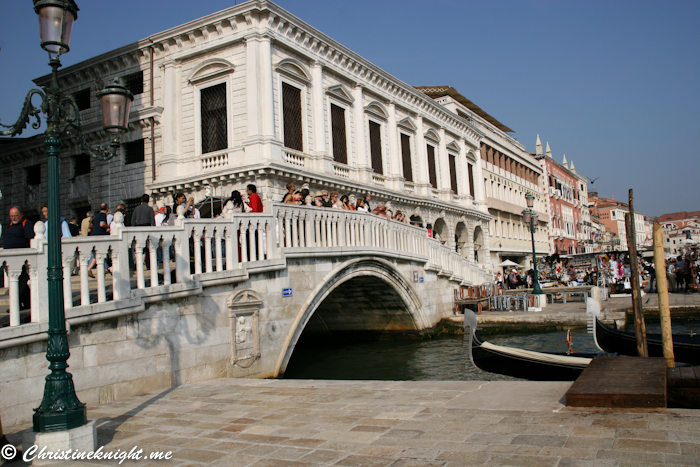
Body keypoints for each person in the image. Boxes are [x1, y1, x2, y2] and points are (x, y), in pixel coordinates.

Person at [5, 207, 35, 310]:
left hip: (21, 258)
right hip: (9, 259)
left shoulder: (26, 223)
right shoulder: (10, 226)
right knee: (19, 282)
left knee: (20, 281)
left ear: (21, 215)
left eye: (16, 216)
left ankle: (15, 304)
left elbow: (30, 239)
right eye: (11, 216)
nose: (13, 218)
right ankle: (28, 303)